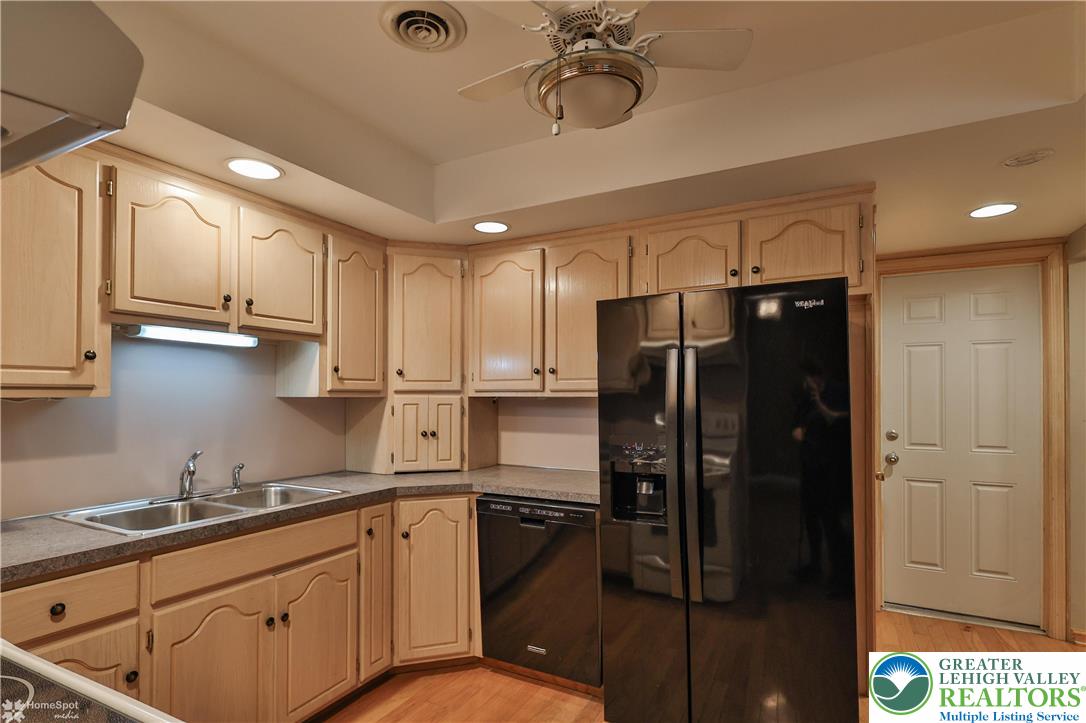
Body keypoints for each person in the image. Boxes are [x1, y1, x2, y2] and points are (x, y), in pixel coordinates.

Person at [791, 357, 852, 593]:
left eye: (809, 378)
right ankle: (814, 565)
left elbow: (838, 421)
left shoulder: (838, 392)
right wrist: (797, 430)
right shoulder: (806, 398)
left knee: (832, 522)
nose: (806, 383)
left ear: (818, 377)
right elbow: (798, 423)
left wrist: (819, 402)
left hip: (834, 467)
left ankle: (840, 577)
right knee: (810, 516)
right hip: (811, 464)